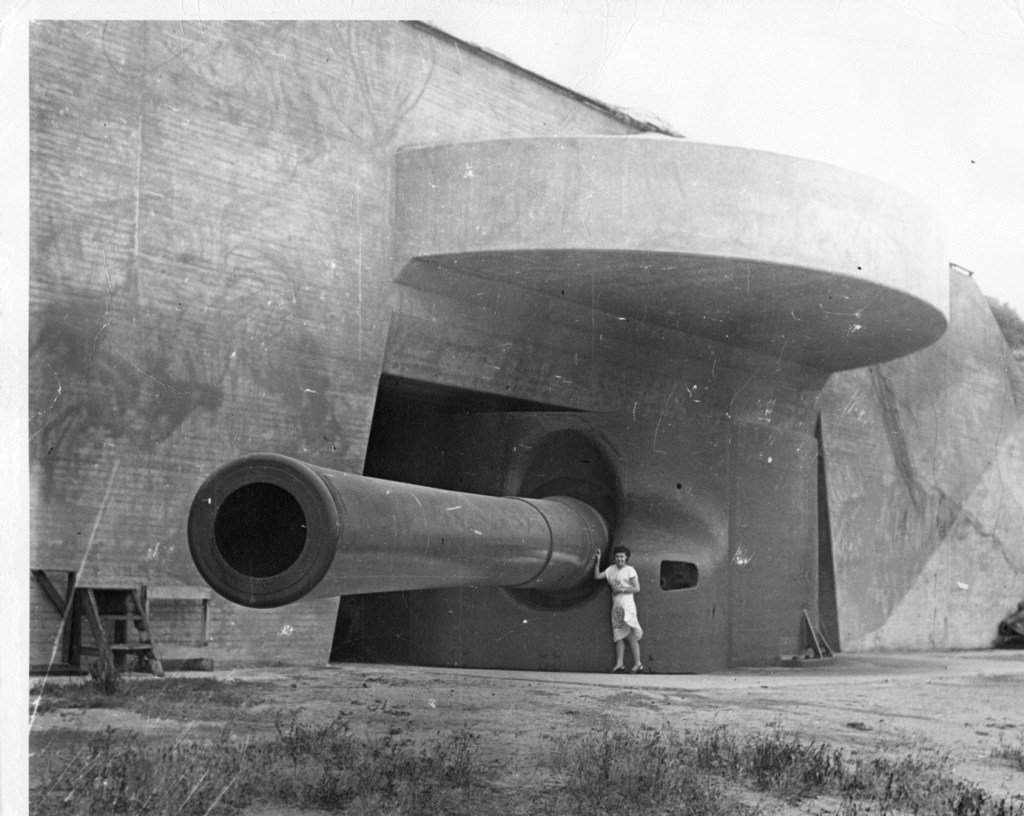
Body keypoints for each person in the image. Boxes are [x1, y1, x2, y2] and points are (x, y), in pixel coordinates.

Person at [593, 546, 643, 673]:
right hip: (616, 605)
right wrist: (597, 561)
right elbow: (597, 576)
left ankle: (638, 663)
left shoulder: (630, 570)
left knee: (630, 635)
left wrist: (622, 589)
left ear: (626, 557)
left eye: (622, 556)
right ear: (614, 558)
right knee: (618, 635)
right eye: (617, 556)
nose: (619, 559)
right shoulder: (611, 569)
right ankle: (619, 664)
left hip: (627, 604)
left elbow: (637, 588)